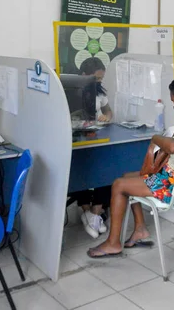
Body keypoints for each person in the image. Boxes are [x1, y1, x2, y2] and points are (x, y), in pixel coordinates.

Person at [86, 76, 174, 258]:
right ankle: (140, 230)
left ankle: (113, 243)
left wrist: (156, 138)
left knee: (118, 184)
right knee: (128, 176)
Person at [72, 57, 113, 238]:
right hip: (78, 138)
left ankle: (94, 214)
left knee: (108, 169)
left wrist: (107, 117)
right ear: (83, 75)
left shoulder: (99, 93)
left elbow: (108, 111)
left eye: (100, 80)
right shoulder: (71, 93)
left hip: (98, 136)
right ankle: (89, 213)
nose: (98, 82)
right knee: (80, 170)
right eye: (95, 79)